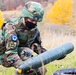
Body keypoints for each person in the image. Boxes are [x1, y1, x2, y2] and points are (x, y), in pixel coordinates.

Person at [0, 1, 47, 75]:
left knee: (41, 70)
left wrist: (56, 54)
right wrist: (24, 66)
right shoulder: (11, 27)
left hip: (21, 53)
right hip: (5, 55)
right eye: (32, 20)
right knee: (29, 65)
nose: (34, 23)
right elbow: (10, 54)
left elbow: (37, 47)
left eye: (36, 21)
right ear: (25, 16)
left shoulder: (34, 29)